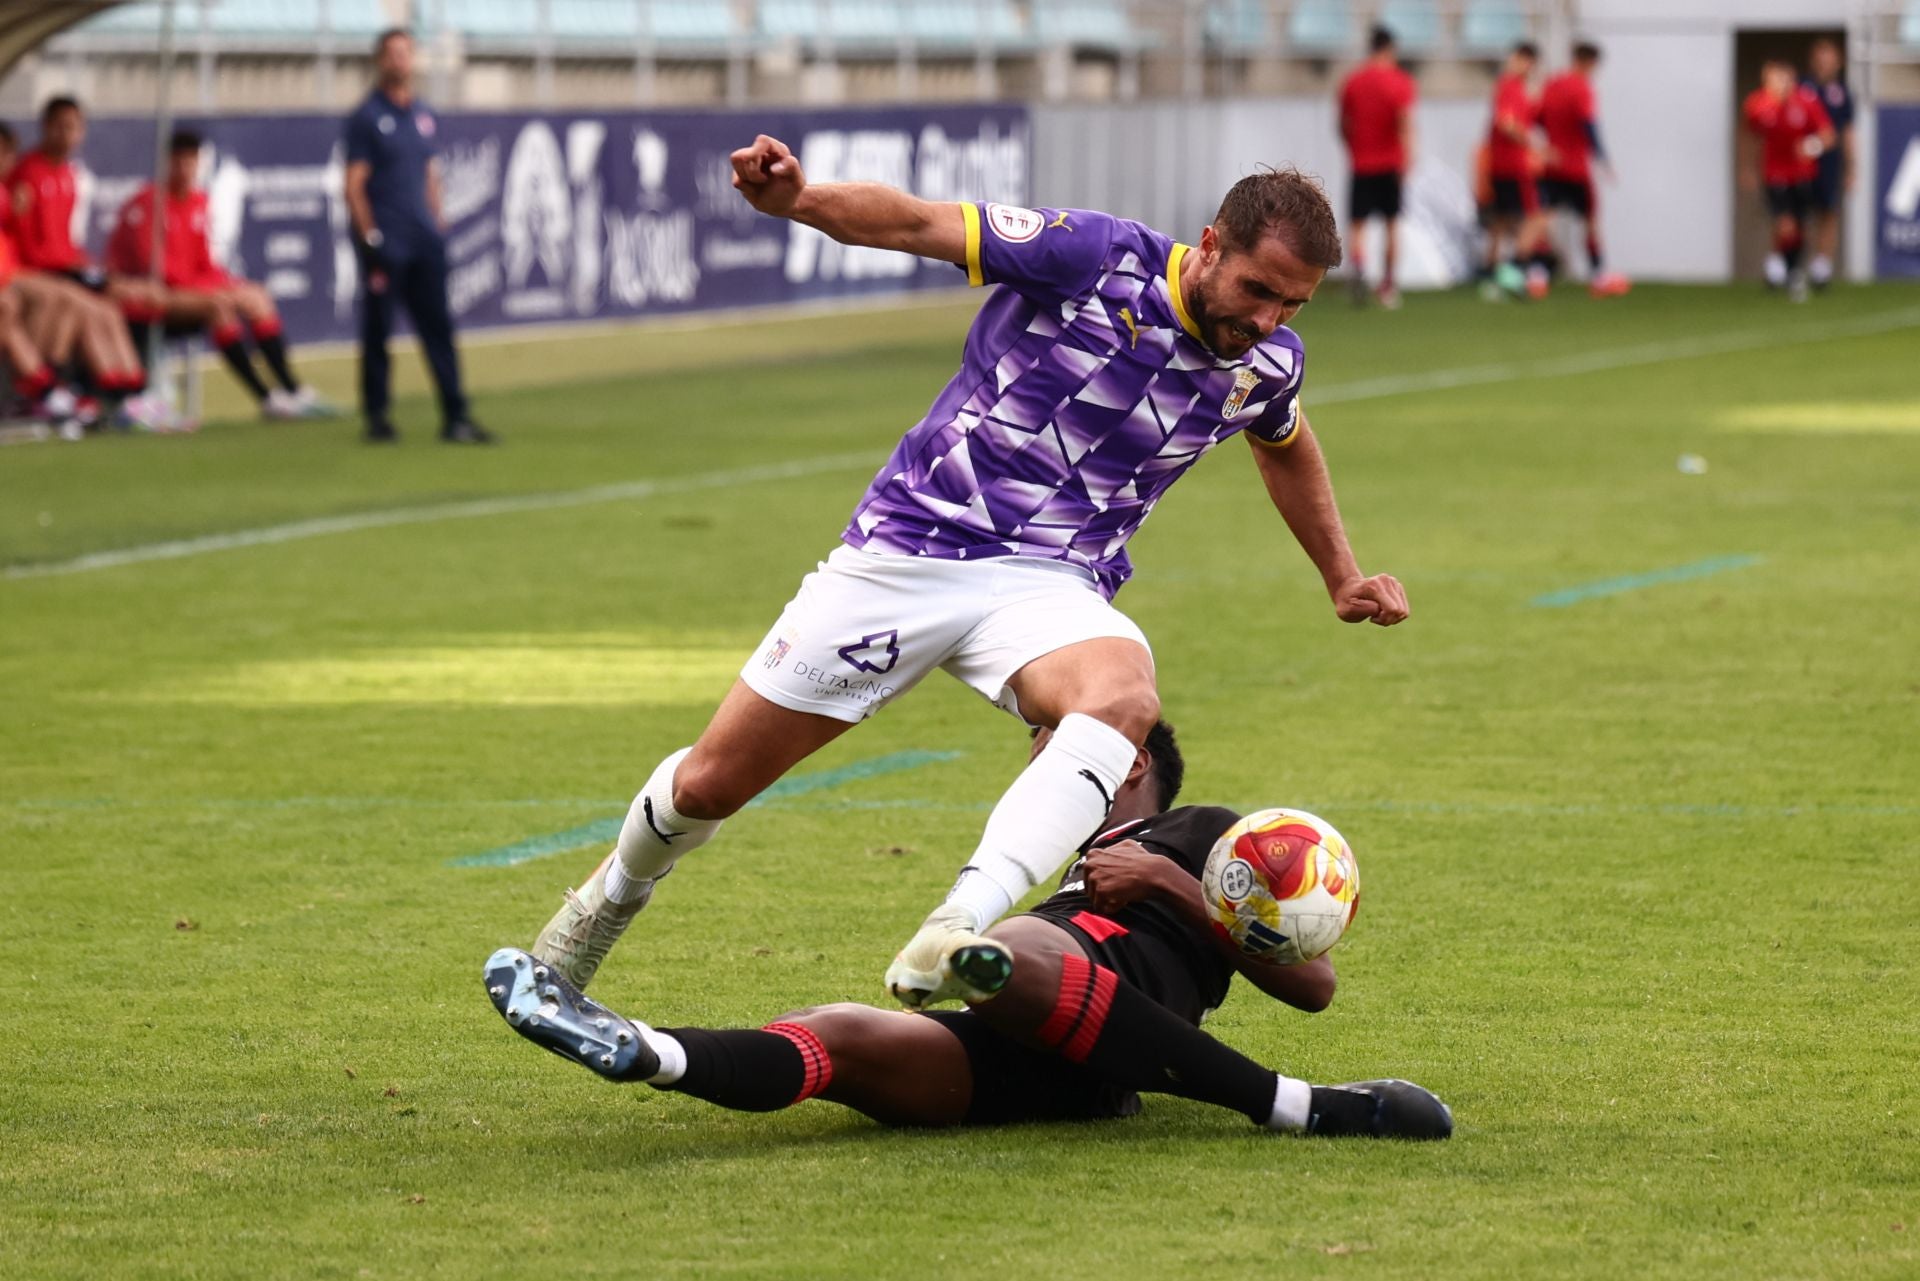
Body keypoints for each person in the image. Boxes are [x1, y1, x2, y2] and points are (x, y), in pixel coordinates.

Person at [528, 135, 1409, 1013]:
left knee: (1123, 697)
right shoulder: (1095, 255)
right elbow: (918, 223)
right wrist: (797, 202)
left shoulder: (1265, 364)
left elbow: (1284, 440)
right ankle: (610, 898)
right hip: (910, 551)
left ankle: (957, 923)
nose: (1266, 321)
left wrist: (1342, 574)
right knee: (709, 785)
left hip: (1051, 584)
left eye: (1292, 306)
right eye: (1258, 290)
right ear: (1211, 244)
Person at [489, 721, 1452, 1139]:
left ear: (1123, 762)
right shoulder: (1050, 862)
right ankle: (642, 1049)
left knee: (1021, 949)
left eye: (1052, 753)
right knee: (841, 1031)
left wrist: (1165, 880)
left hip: (1125, 991)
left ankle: (1293, 1106)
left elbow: (1312, 984)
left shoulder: (1200, 833)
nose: (1034, 777)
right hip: (1046, 1067)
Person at [106, 130, 332, 421]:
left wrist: (227, 285)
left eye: (192, 161)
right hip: (149, 298)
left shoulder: (199, 201)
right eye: (180, 161)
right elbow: (157, 270)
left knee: (256, 297)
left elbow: (203, 263)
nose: (186, 169)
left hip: (188, 291)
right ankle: (266, 397)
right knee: (219, 307)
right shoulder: (149, 203)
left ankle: (293, 389)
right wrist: (215, 291)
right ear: (167, 162)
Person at [343, 28, 490, 444]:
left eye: (405, 53)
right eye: (392, 54)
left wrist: (437, 220)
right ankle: (378, 417)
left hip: (423, 238)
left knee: (439, 328)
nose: (399, 61)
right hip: (389, 240)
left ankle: (456, 415)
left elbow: (429, 172)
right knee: (379, 331)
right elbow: (354, 184)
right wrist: (369, 237)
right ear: (379, 61)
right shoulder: (367, 117)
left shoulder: (421, 114)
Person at [5, 96, 174, 428]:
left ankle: (132, 393)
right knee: (91, 308)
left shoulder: (70, 175)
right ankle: (108, 399)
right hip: (42, 273)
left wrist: (88, 267)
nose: (68, 135)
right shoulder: (28, 173)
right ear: (46, 128)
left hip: (61, 270)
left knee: (112, 308)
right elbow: (30, 247)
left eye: (75, 127)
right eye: (62, 126)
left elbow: (64, 242)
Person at [1537, 42, 1629, 298]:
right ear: (1589, 63)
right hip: (1575, 166)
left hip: (1552, 163)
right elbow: (1588, 124)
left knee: (1544, 217)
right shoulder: (1582, 88)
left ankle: (1537, 274)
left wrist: (1548, 146)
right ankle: (1599, 276)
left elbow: (1539, 119)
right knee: (1590, 221)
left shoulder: (1552, 84)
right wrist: (1602, 157)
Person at [1337, 25, 1417, 310]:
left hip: (1362, 162)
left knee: (1358, 225)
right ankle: (1387, 285)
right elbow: (1404, 121)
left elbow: (1342, 124)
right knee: (1392, 224)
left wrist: (1354, 148)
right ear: (1390, 49)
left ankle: (1358, 268)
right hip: (1390, 163)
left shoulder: (1353, 81)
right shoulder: (1399, 81)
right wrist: (1407, 157)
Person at [1742, 60, 1834, 302]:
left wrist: (1810, 146)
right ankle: (1786, 270)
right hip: (1775, 174)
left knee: (1800, 226)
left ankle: (1785, 269)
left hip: (1803, 174)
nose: (1779, 83)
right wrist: (1748, 168)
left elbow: (1827, 135)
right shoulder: (1759, 104)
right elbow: (1751, 136)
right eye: (1773, 78)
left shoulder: (1807, 101)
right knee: (1785, 224)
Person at [1482, 42, 1549, 299]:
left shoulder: (1514, 87)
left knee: (1501, 221)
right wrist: (1531, 142)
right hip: (1513, 163)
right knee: (1535, 216)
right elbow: (1507, 124)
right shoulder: (1510, 86)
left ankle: (1491, 275)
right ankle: (1514, 271)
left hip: (1500, 163)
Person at [1802, 38, 1855, 291]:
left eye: (1830, 57)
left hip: (1831, 163)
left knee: (1829, 211)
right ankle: (1794, 264)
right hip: (1801, 162)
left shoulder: (1842, 92)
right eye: (1821, 57)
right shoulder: (1803, 88)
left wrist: (1852, 168)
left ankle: (1822, 267)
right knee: (1801, 213)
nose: (1825, 63)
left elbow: (1846, 133)